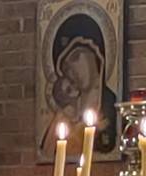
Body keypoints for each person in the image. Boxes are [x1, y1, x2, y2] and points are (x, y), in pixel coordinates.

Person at [40, 13, 117, 155]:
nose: (72, 71)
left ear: (96, 54)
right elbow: (48, 152)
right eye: (66, 69)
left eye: (76, 57)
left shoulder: (113, 106)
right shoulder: (63, 117)